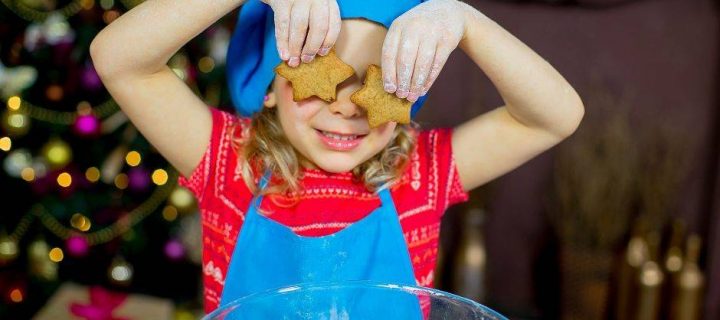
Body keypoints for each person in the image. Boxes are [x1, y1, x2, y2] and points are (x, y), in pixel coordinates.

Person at [90, 0, 584, 316]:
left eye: (380, 83)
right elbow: (119, 60)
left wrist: (464, 20)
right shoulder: (229, 160)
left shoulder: (419, 171)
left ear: (407, 96)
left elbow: (555, 116)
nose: (346, 106)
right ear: (267, 88)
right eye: (318, 74)